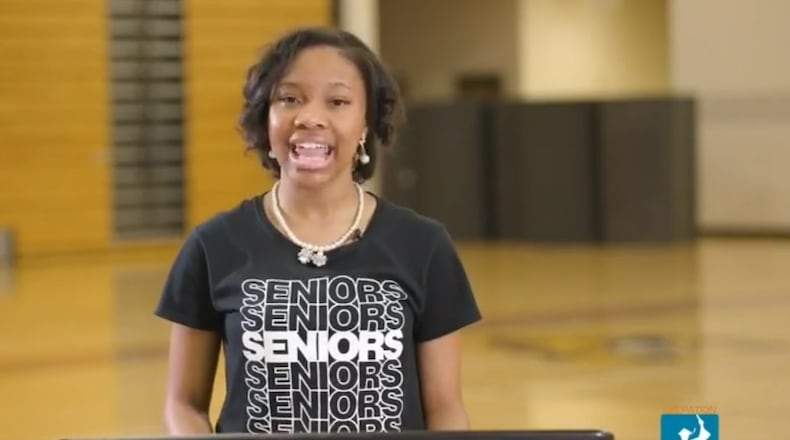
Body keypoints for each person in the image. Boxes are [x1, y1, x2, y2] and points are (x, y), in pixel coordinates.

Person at [154, 26, 482, 435]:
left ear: (365, 124)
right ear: (265, 118)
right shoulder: (213, 245)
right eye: (289, 98)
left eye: (338, 101)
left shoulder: (423, 246)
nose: (310, 117)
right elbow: (183, 405)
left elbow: (446, 410)